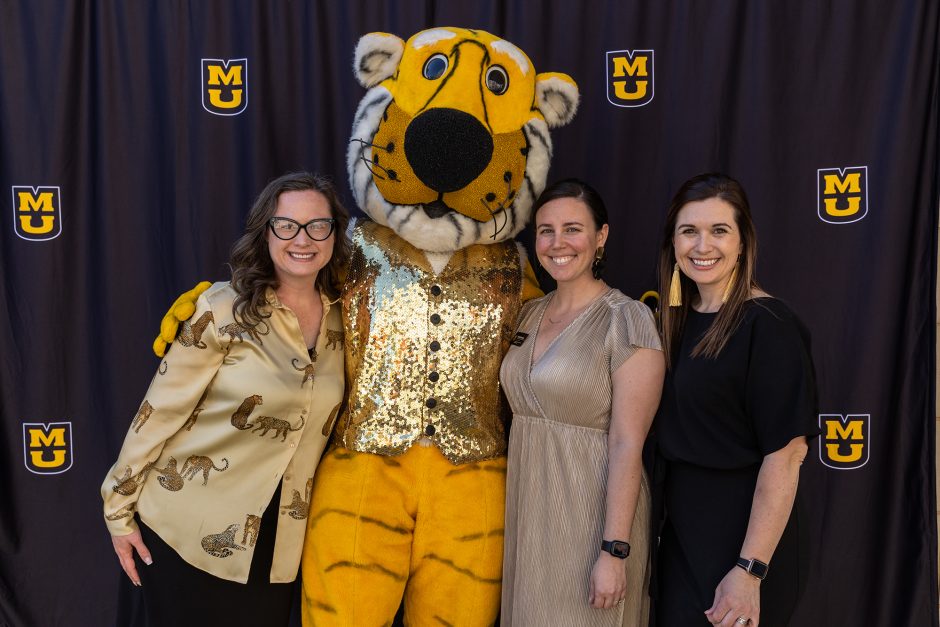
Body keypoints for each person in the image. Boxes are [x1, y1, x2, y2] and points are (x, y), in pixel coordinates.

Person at [100, 171, 350, 626]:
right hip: (185, 534)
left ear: (334, 233)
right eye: (287, 225)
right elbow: (158, 413)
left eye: (318, 225)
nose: (303, 239)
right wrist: (118, 512)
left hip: (279, 546)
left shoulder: (348, 318)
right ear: (266, 232)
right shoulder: (221, 308)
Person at [653, 173, 818, 627]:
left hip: (746, 540)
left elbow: (787, 455)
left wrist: (749, 570)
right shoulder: (671, 322)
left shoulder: (769, 325)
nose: (702, 245)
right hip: (682, 536)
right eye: (689, 231)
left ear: (743, 242)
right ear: (673, 243)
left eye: (719, 231)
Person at [499, 179, 665, 626]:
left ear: (600, 236)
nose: (558, 243)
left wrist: (614, 550)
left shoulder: (627, 320)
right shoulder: (530, 313)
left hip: (591, 519)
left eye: (572, 229)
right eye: (546, 231)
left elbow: (628, 443)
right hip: (529, 514)